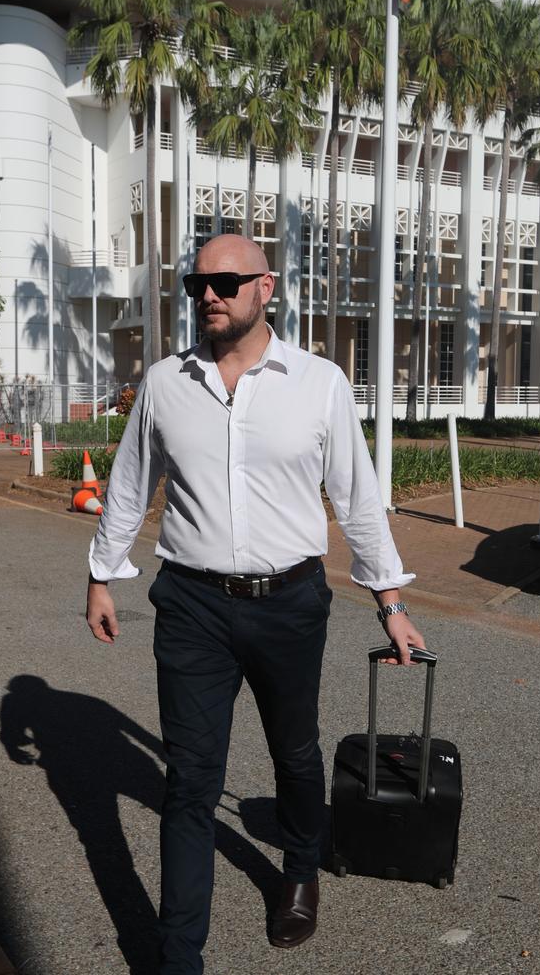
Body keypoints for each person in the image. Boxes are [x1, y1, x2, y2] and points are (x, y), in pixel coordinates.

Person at [86, 234, 425, 974]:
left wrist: (389, 601)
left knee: (294, 753)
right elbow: (130, 481)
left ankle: (300, 870)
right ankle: (180, 954)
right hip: (192, 605)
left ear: (265, 288)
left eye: (228, 281)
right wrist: (102, 574)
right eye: (197, 283)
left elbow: (356, 497)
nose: (210, 294)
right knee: (190, 781)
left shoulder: (318, 382)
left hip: (290, 602)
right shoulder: (167, 384)